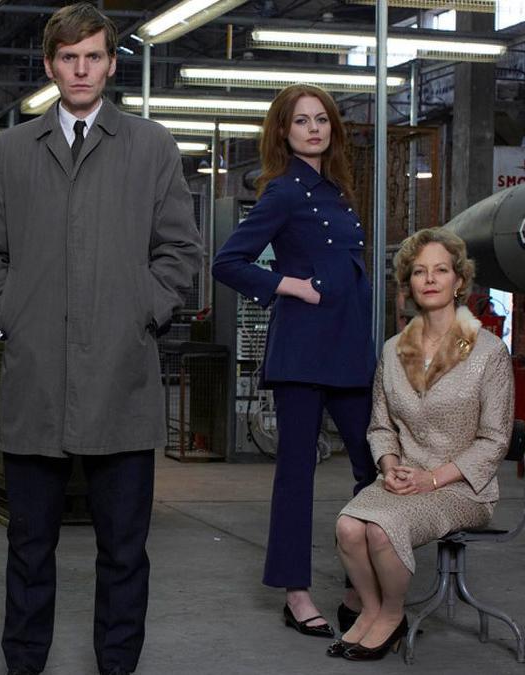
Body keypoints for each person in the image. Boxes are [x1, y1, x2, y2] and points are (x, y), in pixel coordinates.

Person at [0, 5, 201, 674]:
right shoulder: (10, 152)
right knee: (29, 544)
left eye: (93, 56)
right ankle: (23, 661)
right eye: (68, 58)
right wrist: (9, 313)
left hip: (121, 374)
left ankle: (117, 663)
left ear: (112, 64)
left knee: (123, 547)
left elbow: (180, 250)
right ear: (49, 65)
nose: (81, 69)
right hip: (36, 374)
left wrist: (142, 311)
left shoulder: (150, 147)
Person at [211, 83, 377, 637]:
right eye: (302, 121)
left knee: (372, 466)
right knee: (296, 474)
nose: (314, 129)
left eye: (321, 119)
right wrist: (289, 285)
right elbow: (227, 262)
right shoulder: (282, 192)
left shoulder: (340, 191)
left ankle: (358, 586)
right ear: (283, 131)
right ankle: (297, 593)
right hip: (302, 350)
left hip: (350, 348)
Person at [330, 228, 514, 661]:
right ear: (409, 283)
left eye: (441, 270)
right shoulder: (395, 351)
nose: (430, 279)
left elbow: (494, 440)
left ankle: (392, 616)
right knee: (348, 527)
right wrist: (390, 465)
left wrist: (430, 479)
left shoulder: (487, 352)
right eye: (419, 271)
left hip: (462, 487)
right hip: (403, 480)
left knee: (380, 529)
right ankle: (371, 610)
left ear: (459, 281)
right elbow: (380, 426)